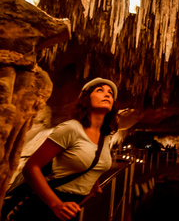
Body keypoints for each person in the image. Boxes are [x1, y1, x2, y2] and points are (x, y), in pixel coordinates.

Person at [19, 77, 119, 221]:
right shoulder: (71, 129)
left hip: (76, 206)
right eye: (100, 90)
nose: (107, 94)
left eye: (110, 93)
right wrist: (56, 204)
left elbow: (93, 161)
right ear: (86, 99)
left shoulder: (105, 137)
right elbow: (30, 167)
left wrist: (94, 185)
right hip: (48, 205)